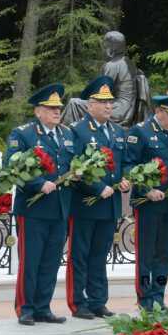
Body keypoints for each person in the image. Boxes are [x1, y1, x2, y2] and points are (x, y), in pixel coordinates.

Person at [6, 84, 77, 325]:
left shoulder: (67, 134)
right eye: (51, 108)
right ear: (38, 111)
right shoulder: (23, 134)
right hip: (33, 209)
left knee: (50, 260)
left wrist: (77, 173)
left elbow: (72, 163)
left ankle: (43, 306)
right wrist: (38, 183)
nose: (57, 111)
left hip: (59, 208)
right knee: (31, 260)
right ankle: (25, 307)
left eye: (58, 108)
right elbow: (12, 166)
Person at [66, 76, 131, 319]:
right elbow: (75, 168)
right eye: (102, 101)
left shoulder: (117, 131)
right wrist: (96, 187)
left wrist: (124, 179)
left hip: (110, 204)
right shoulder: (78, 131)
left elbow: (123, 163)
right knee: (80, 255)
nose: (108, 106)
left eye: (110, 101)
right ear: (89, 104)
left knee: (100, 254)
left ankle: (98, 300)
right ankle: (78, 302)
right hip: (85, 204)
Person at [125, 93, 168, 314]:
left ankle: (158, 298)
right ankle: (145, 300)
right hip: (148, 203)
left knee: (164, 253)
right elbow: (129, 166)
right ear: (159, 111)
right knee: (147, 253)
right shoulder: (140, 132)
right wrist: (146, 189)